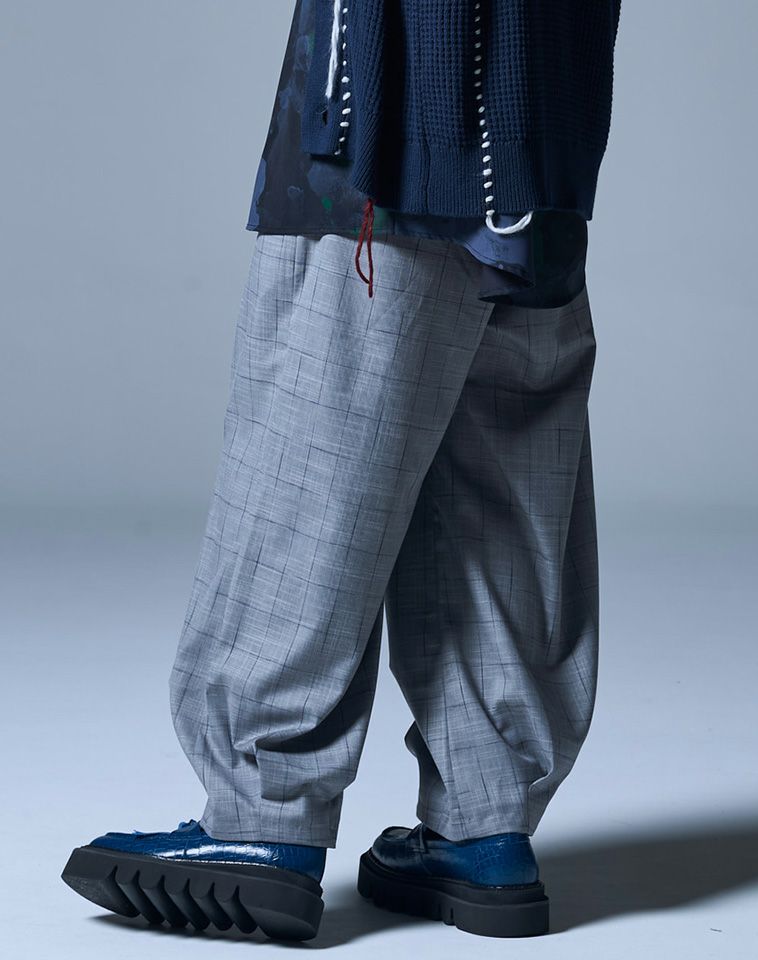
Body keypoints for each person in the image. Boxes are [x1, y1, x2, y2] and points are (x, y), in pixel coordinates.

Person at [61, 0, 622, 942]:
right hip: (544, 110)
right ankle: (484, 826)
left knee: (320, 434)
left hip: (392, 105)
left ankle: (261, 816)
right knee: (502, 452)